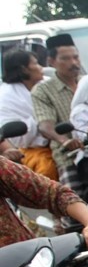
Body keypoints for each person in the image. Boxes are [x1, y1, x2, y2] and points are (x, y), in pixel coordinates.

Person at [31, 34, 85, 193]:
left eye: (75, 57)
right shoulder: (42, 91)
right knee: (74, 204)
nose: (73, 63)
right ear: (51, 62)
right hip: (71, 156)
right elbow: (45, 125)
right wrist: (64, 140)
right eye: (66, 59)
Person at [0, 49, 57, 179]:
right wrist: (44, 119)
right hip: (31, 149)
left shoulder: (47, 84)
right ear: (24, 69)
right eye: (36, 64)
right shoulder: (6, 96)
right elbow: (18, 139)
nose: (41, 68)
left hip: (61, 141)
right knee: (47, 170)